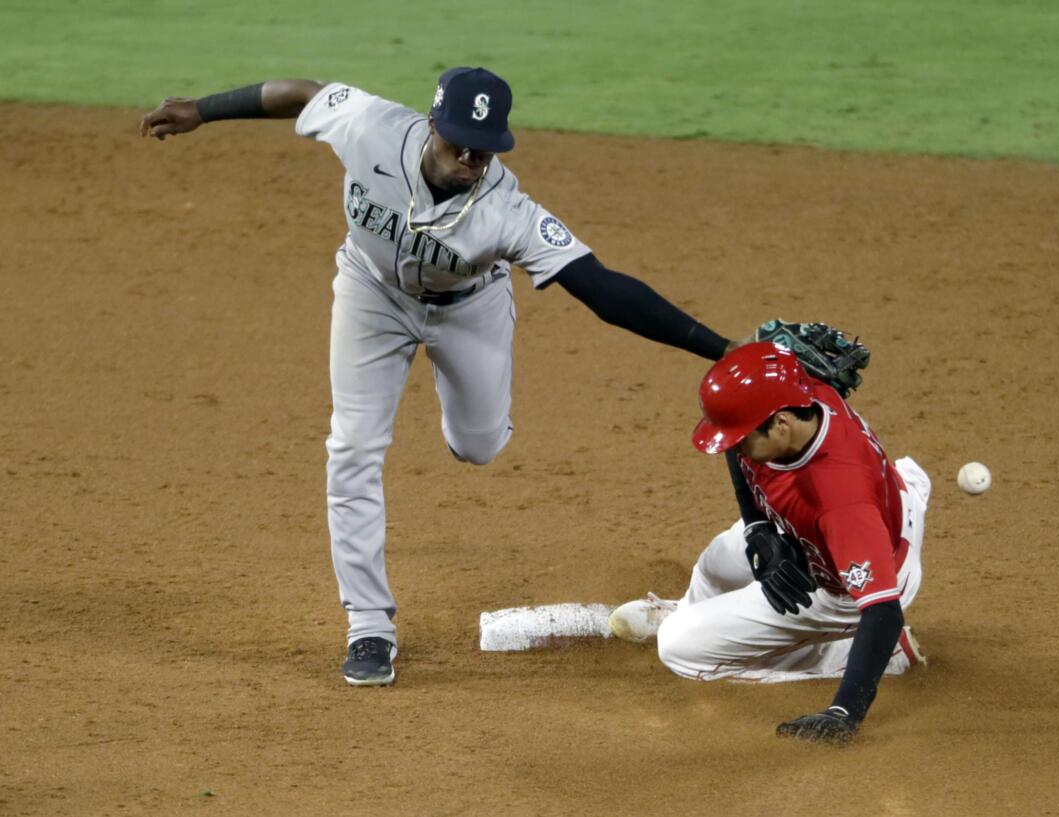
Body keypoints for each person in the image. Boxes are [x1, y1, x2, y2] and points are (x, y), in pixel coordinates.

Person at [139, 67, 739, 686]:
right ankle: (369, 625)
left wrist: (720, 348)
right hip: (371, 296)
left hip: (468, 312)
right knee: (351, 450)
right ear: (431, 125)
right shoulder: (369, 126)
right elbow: (298, 92)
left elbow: (604, 289)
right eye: (459, 142)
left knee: (477, 445)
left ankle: (463, 402)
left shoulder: (508, 211)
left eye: (486, 146)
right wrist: (203, 111)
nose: (472, 156)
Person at [609, 341, 931, 744]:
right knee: (717, 561)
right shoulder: (794, 390)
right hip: (866, 514)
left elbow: (883, 610)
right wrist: (757, 529)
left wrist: (845, 711)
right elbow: (741, 412)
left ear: (781, 424)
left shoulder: (840, 498)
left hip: (849, 588)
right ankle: (692, 608)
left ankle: (860, 657)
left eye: (741, 439)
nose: (732, 447)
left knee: (678, 649)